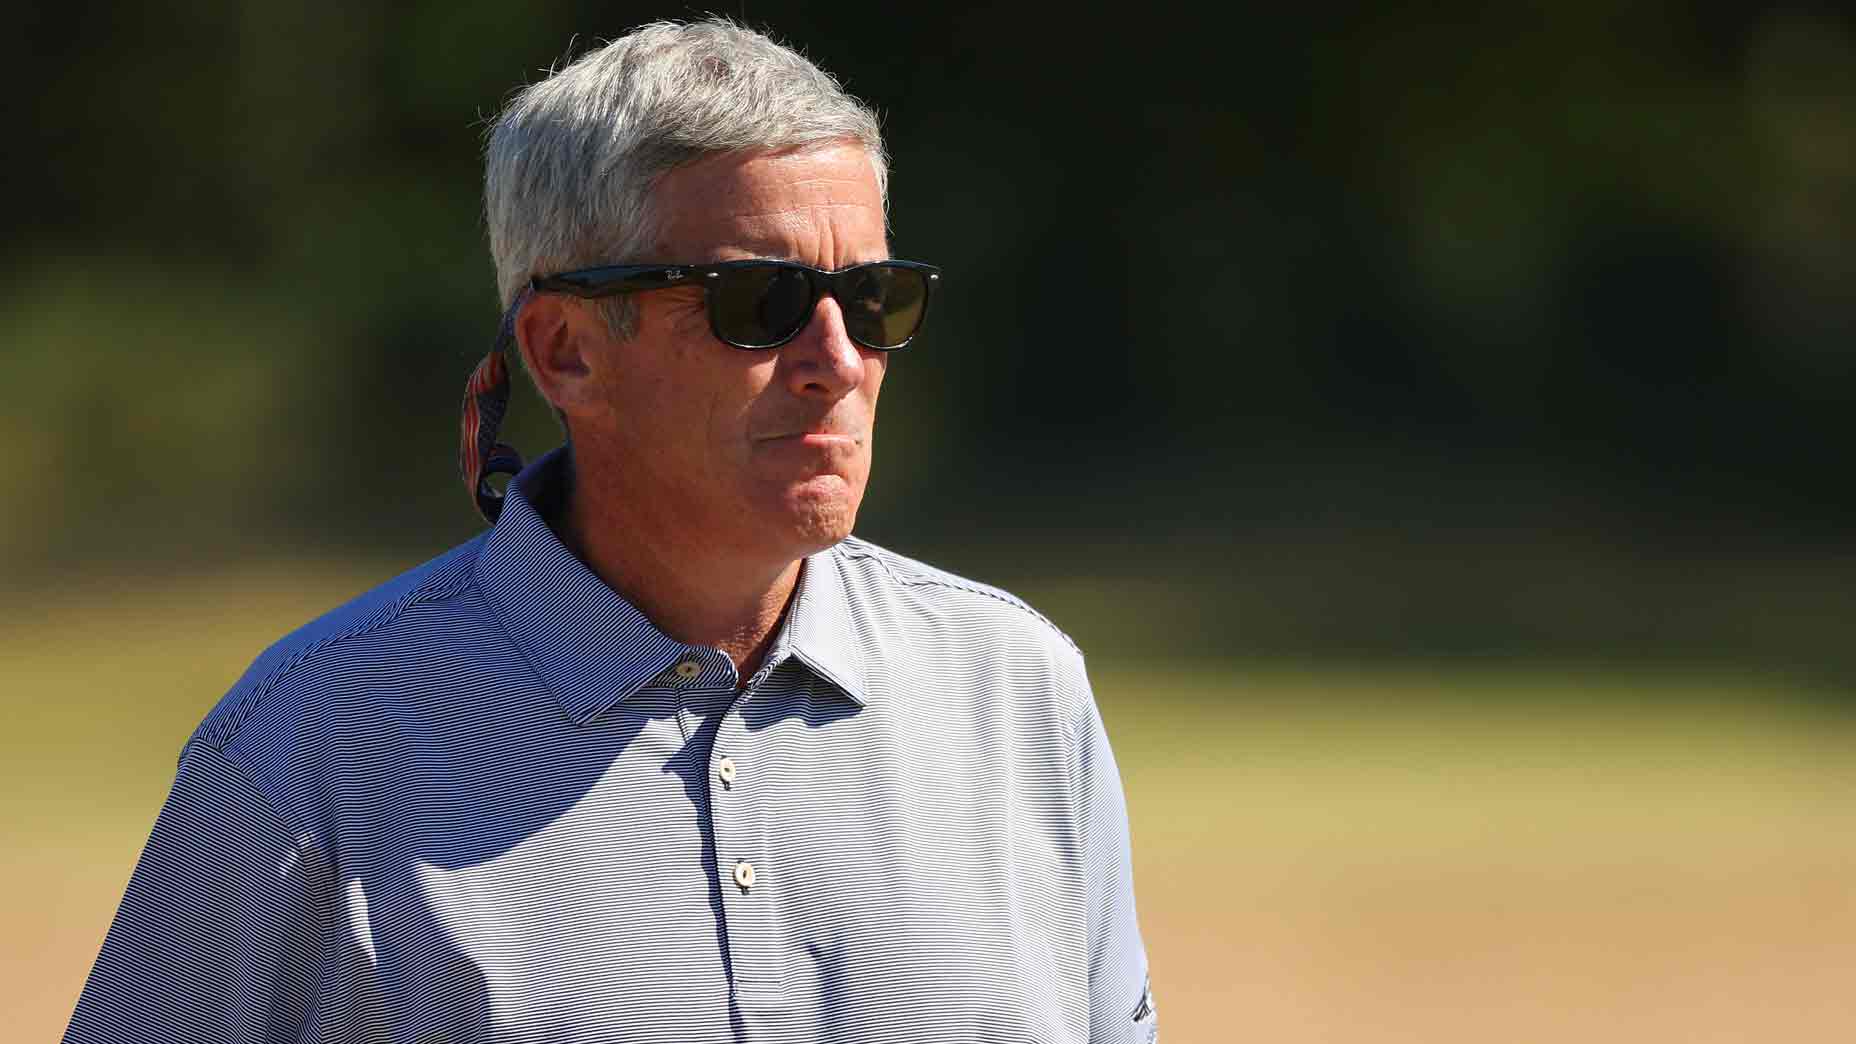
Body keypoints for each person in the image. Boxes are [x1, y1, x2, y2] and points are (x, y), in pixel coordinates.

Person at [65, 18, 1155, 1044]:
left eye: (871, 299)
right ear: (564, 351)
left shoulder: (1018, 690)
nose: (835, 359)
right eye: (756, 303)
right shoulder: (307, 745)